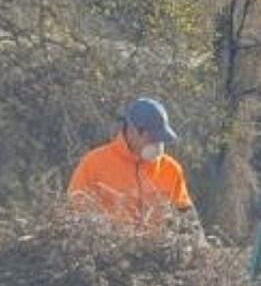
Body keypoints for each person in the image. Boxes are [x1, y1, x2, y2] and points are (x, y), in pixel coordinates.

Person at [68, 98, 196, 231]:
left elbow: (188, 221)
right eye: (152, 137)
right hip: (106, 248)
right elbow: (75, 213)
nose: (158, 144)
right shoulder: (93, 164)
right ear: (132, 131)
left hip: (157, 250)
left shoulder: (172, 169)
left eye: (161, 138)